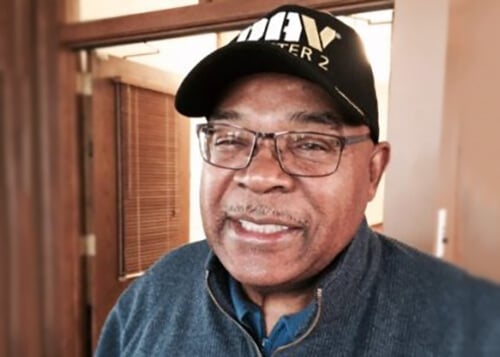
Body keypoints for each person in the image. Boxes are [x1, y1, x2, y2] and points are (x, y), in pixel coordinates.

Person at [95, 4, 500, 356]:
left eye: (310, 144)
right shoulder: (156, 292)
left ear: (373, 171)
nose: (259, 175)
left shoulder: (471, 328)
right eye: (231, 139)